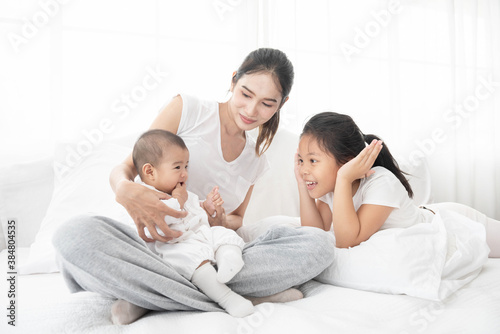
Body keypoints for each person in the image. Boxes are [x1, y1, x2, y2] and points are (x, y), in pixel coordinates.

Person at [53, 48, 335, 325]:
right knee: (73, 236)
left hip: (204, 251)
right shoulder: (188, 109)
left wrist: (218, 218)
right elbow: (128, 167)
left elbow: (235, 220)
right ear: (233, 80)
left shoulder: (256, 160)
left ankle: (151, 297)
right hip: (148, 245)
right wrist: (123, 189)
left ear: (282, 104)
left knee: (319, 244)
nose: (251, 110)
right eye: (245, 94)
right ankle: (234, 296)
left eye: (267, 103)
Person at [294, 111, 500, 256]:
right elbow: (315, 233)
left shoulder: (381, 181)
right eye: (301, 160)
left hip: (453, 223)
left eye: (313, 160)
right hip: (428, 215)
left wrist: (343, 179)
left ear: (348, 161)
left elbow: (346, 241)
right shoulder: (332, 189)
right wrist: (302, 185)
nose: (304, 169)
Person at [111, 129, 254, 322]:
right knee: (193, 259)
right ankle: (226, 297)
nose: (185, 174)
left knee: (222, 233)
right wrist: (178, 200)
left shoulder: (179, 191)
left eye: (186, 166)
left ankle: (229, 258)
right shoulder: (145, 196)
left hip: (197, 237)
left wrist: (207, 206)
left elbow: (194, 208)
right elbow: (165, 218)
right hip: (170, 249)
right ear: (150, 172)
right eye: (178, 167)